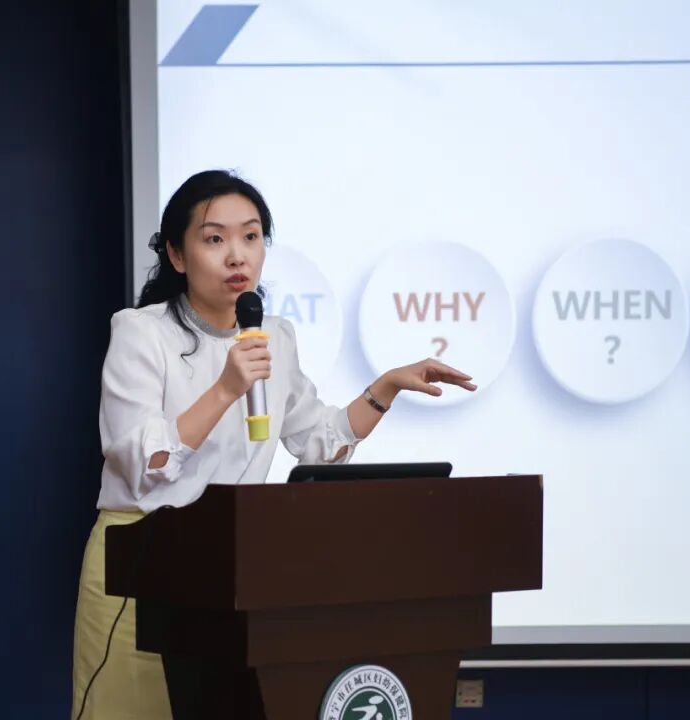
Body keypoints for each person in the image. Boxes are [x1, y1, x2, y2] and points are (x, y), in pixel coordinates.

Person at [70, 169, 476, 719]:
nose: (237, 255)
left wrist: (384, 389)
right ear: (177, 255)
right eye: (215, 239)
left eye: (251, 236)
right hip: (139, 560)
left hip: (227, 567)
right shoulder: (141, 332)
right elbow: (144, 462)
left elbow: (318, 443)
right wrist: (225, 389)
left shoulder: (274, 336)